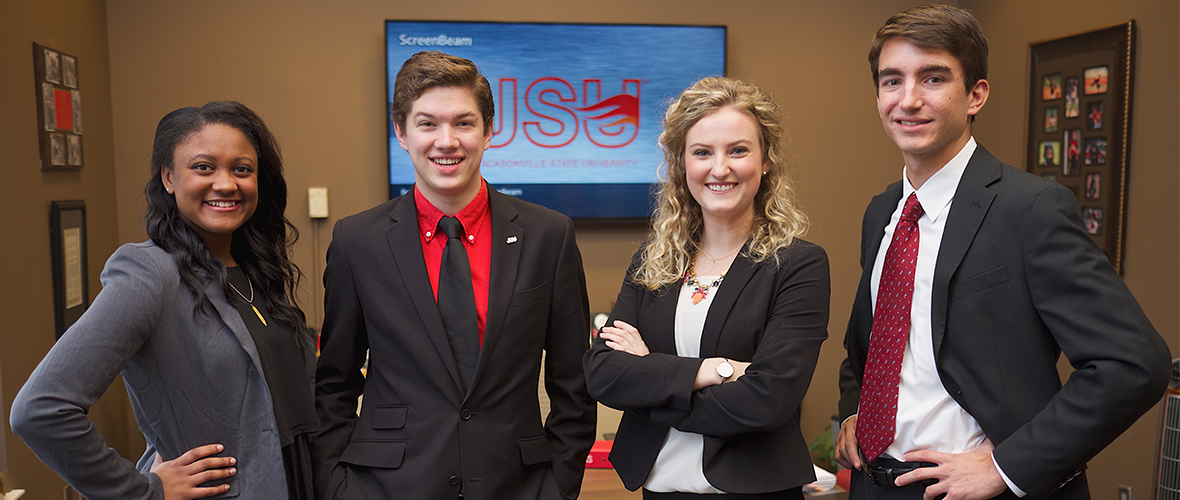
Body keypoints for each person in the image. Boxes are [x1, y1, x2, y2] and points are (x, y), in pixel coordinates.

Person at [835, 5, 1170, 500]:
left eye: (932, 79)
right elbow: (869, 347)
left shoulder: (1030, 209)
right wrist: (849, 411)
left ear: (975, 95)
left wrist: (1007, 466)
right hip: (876, 486)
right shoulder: (883, 212)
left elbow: (1135, 363)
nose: (908, 100)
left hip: (981, 492)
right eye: (891, 81)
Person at [312, 51, 596, 500]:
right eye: (427, 124)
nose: (447, 141)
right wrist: (336, 485)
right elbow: (334, 384)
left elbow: (573, 382)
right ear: (401, 133)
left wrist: (557, 485)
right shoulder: (357, 241)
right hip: (384, 487)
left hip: (518, 485)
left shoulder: (548, 235)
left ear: (489, 131)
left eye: (464, 123)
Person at [11, 101, 318, 499]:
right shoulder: (148, 274)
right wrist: (145, 491)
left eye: (242, 169)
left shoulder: (259, 268)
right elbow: (39, 410)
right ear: (168, 178)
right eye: (203, 167)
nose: (225, 184)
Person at [583, 77, 831, 499]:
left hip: (755, 490)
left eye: (738, 150)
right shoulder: (654, 259)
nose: (720, 169)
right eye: (702, 153)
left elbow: (767, 400)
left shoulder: (797, 264)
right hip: (659, 489)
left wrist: (651, 374)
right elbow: (604, 373)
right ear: (682, 164)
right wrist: (716, 370)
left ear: (766, 159)